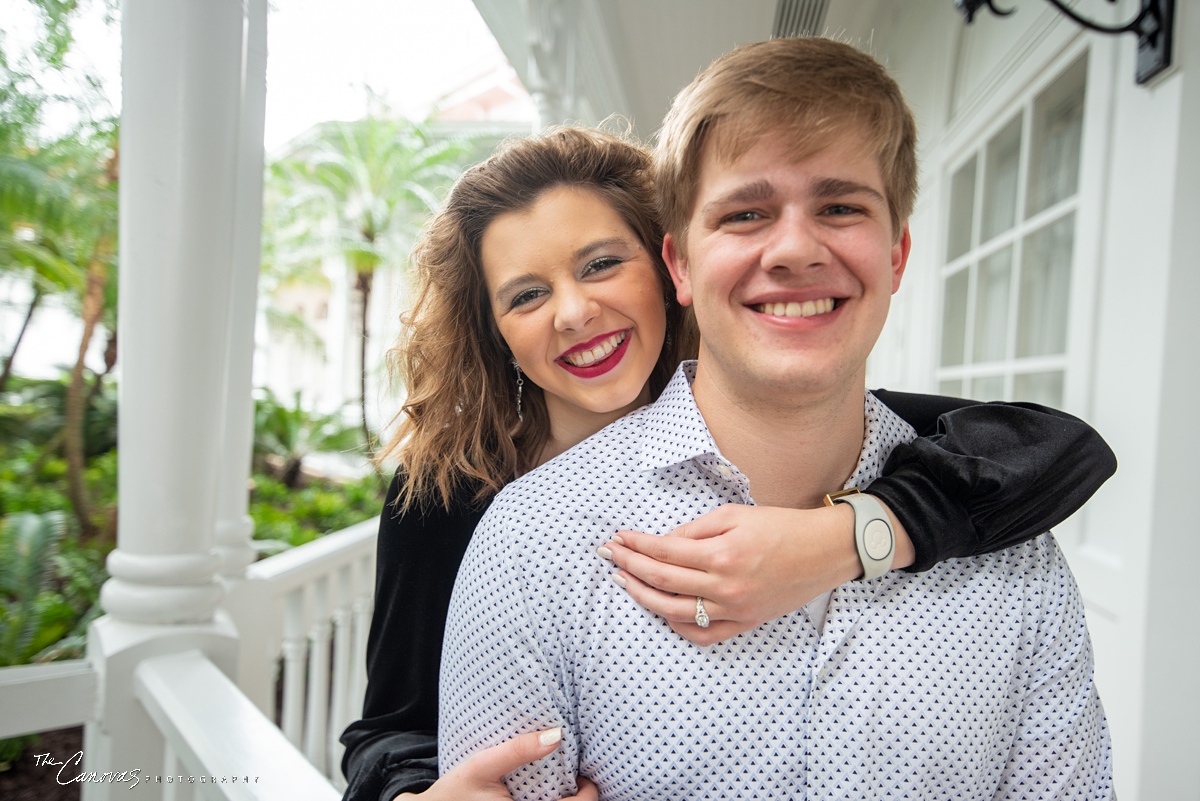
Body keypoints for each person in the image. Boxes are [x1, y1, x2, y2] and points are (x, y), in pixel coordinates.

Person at [435, 38, 1112, 800]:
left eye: (839, 206)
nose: (794, 247)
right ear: (681, 265)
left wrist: (856, 535)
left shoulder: (1009, 547)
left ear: (897, 254)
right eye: (747, 213)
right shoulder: (531, 539)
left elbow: (1061, 445)